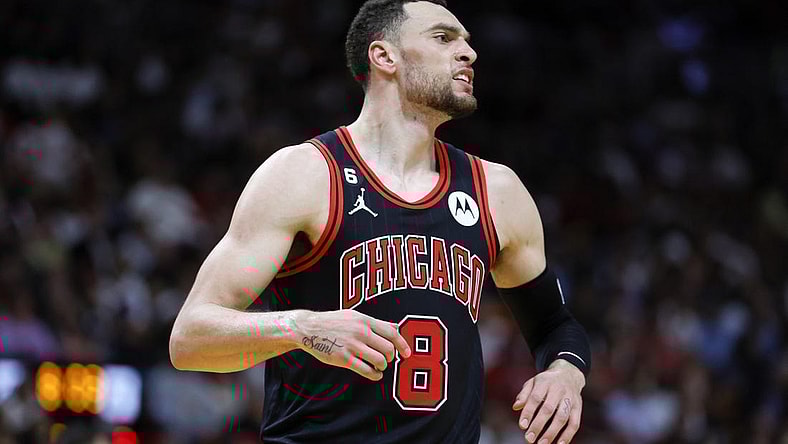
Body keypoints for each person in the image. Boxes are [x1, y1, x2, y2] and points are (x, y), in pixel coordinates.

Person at [168, 1, 591, 443]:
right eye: (444, 38)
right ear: (383, 56)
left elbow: (554, 326)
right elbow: (191, 337)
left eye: (467, 41)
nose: (469, 53)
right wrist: (301, 328)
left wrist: (565, 372)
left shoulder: (496, 191)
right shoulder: (306, 175)